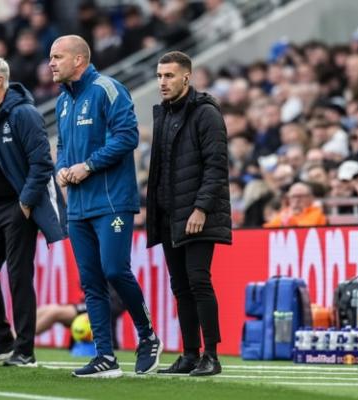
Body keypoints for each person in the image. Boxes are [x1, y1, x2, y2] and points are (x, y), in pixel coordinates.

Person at [50, 35, 161, 378]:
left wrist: (89, 165)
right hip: (78, 206)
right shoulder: (62, 101)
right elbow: (63, 146)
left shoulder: (108, 89)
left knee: (114, 270)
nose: (51, 63)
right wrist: (62, 169)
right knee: (91, 282)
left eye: (57, 57)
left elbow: (128, 136)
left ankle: (148, 336)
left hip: (112, 200)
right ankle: (104, 356)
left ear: (79, 60)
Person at [0, 55, 66, 367]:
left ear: (0, 80)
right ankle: (0, 340)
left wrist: (25, 202)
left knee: (18, 276)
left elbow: (42, 163)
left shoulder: (25, 114)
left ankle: (25, 350)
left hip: (17, 206)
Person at [146, 51, 231, 376]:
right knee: (180, 286)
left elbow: (216, 166)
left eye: (169, 75)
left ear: (186, 77)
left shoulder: (206, 113)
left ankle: (212, 355)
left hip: (197, 214)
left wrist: (201, 208)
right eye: (159, 76)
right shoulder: (163, 113)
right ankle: (190, 354)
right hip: (170, 215)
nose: (162, 82)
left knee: (198, 282)